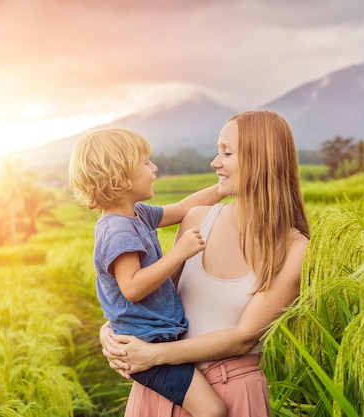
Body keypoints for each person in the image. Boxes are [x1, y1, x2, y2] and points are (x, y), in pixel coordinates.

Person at [100, 110, 310, 416]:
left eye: (227, 152)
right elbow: (152, 297)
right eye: (217, 151)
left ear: (260, 160)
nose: (214, 162)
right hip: (163, 388)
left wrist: (153, 356)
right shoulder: (197, 220)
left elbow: (244, 337)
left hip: (232, 393)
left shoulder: (295, 249)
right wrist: (110, 331)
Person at [68, 128, 226, 417]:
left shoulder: (137, 214)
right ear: (121, 175)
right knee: (212, 410)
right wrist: (180, 253)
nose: (154, 168)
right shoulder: (118, 230)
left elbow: (181, 208)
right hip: (147, 346)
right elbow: (132, 287)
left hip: (157, 337)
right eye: (146, 162)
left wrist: (224, 188)